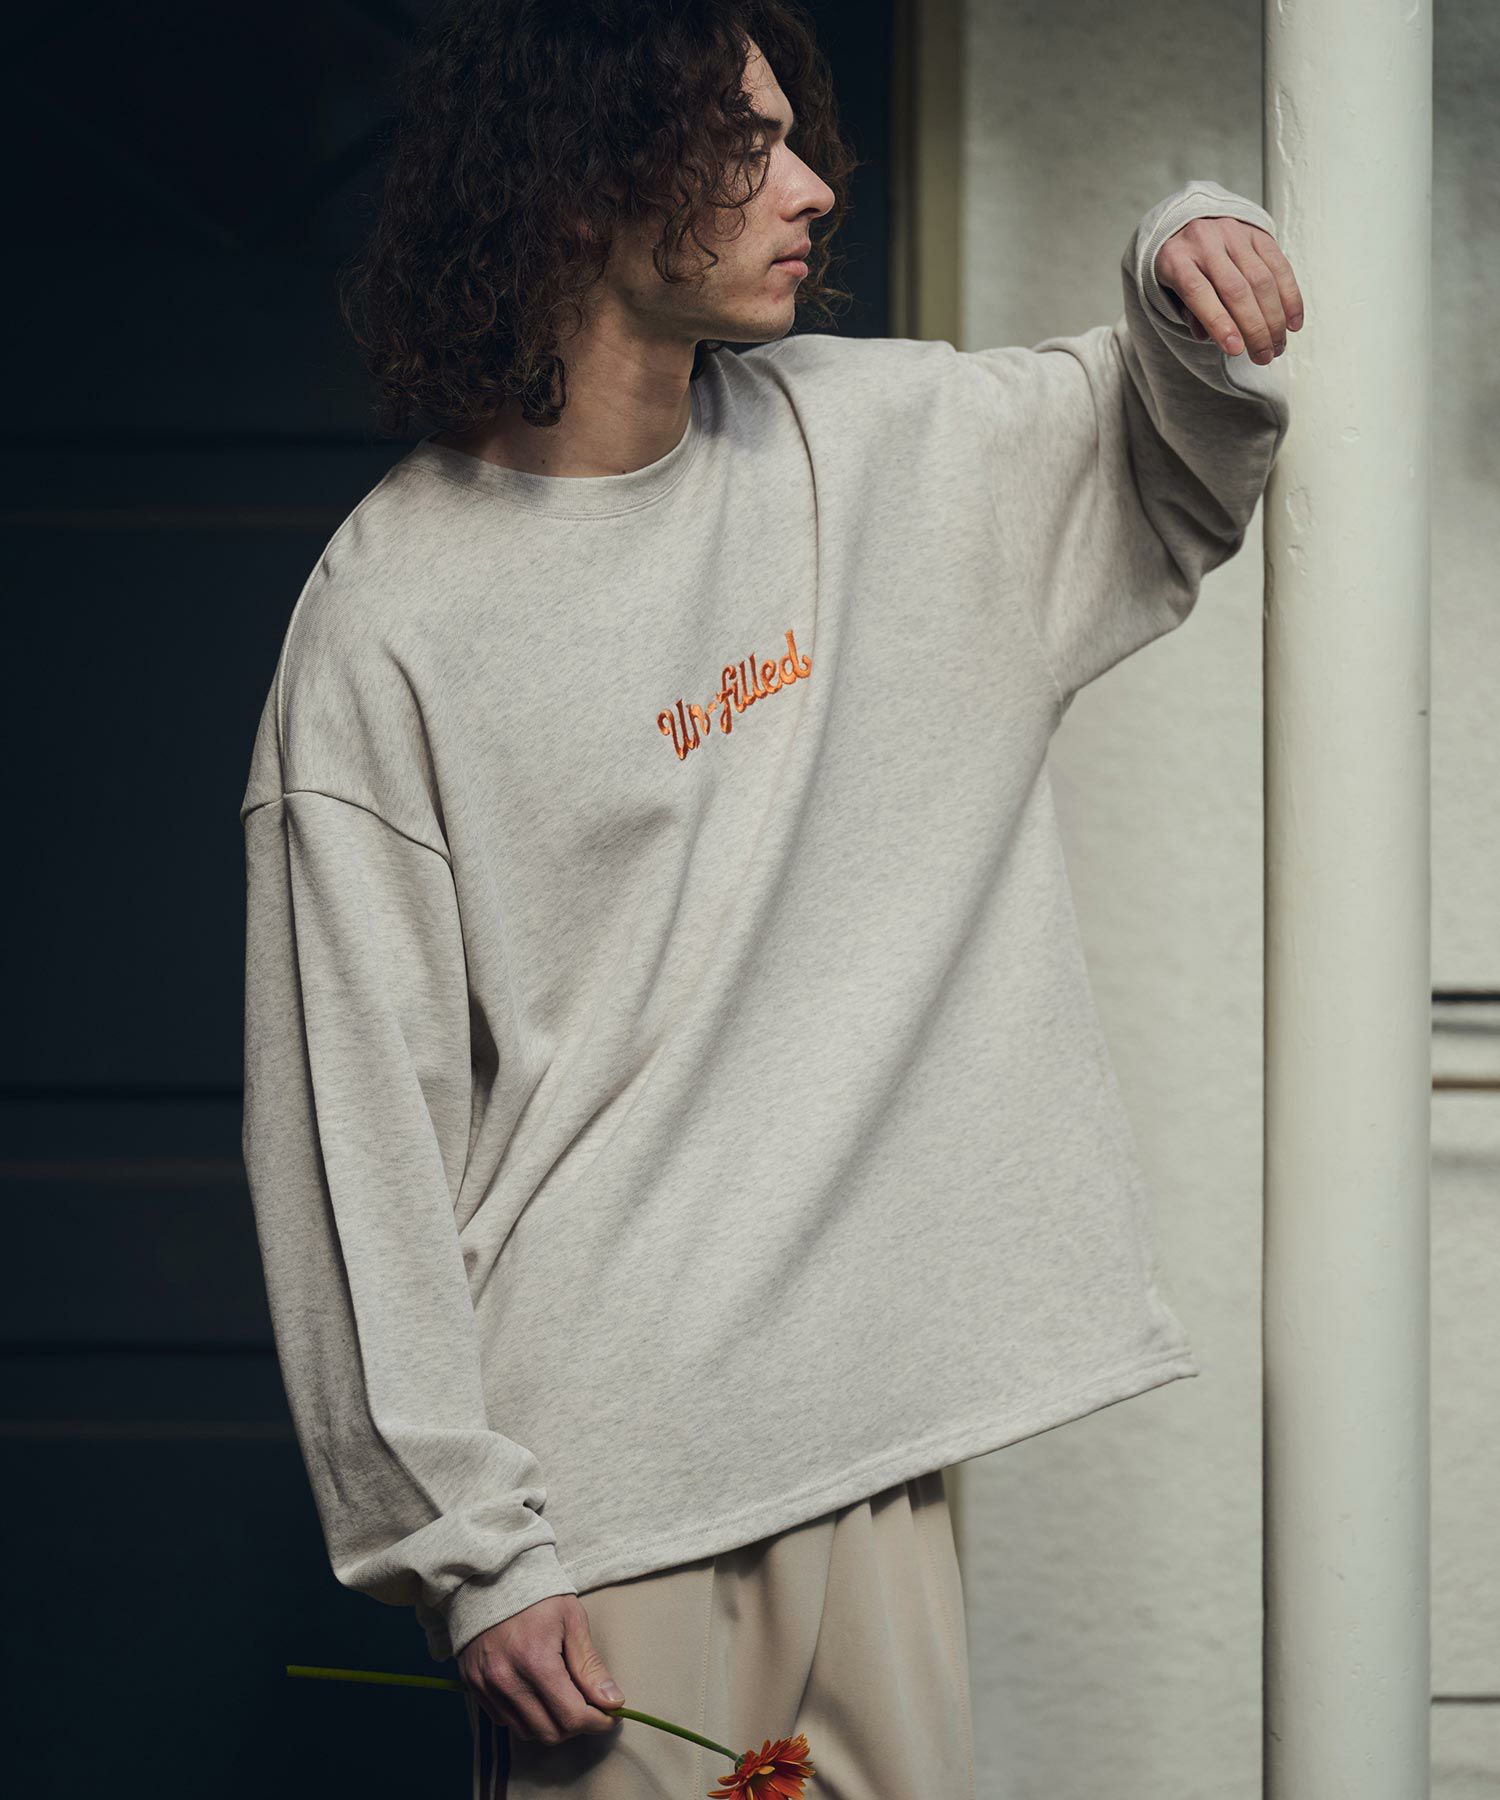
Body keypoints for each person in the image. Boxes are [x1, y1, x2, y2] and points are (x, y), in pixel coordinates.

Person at [238, 1, 1302, 1794]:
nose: (811, 182)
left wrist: (1185, 244)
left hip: (879, 1445)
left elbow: (1165, 437)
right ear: (583, 185)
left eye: (794, 132)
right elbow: (350, 1125)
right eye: (746, 146)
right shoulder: (389, 615)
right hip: (607, 1506)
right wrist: (465, 1546)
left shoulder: (887, 447)